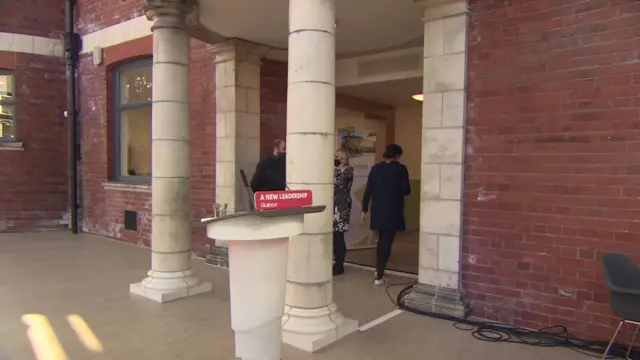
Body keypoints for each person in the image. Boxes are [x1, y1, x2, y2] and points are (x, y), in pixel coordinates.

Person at [361, 144, 410, 285]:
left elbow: (368, 190)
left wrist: (364, 209)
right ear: (398, 155)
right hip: (393, 210)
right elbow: (406, 190)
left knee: (381, 241)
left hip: (377, 210)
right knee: (386, 242)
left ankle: (378, 270)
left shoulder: (375, 169)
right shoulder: (401, 169)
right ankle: (379, 275)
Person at [333, 148, 354, 276]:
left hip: (342, 205)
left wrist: (334, 171)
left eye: (342, 156)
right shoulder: (334, 169)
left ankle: (339, 265)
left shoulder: (349, 170)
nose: (339, 158)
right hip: (332, 204)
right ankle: (336, 262)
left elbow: (340, 183)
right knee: (333, 236)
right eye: (337, 156)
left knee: (339, 235)